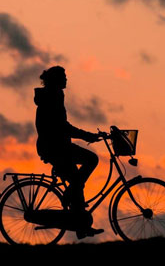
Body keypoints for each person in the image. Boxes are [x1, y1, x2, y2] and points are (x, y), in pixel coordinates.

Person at [34, 65, 104, 239]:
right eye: (63, 76)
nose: (66, 79)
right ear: (56, 80)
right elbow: (62, 127)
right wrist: (87, 136)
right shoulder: (51, 97)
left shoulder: (55, 95)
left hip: (58, 146)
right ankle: (70, 197)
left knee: (76, 180)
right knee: (90, 161)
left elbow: (63, 127)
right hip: (54, 148)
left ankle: (81, 226)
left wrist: (86, 136)